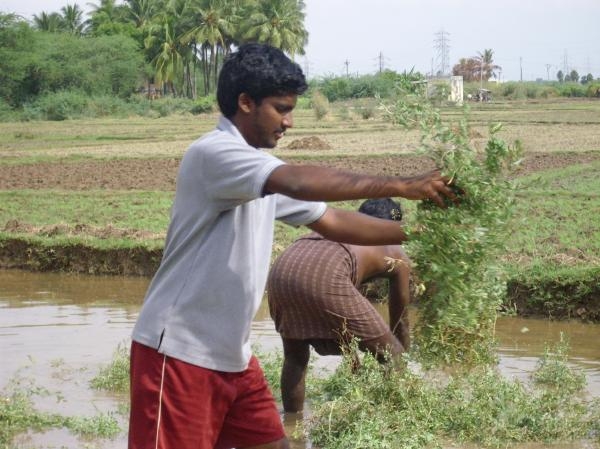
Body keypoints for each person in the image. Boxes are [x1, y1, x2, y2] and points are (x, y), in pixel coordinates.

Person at [128, 43, 456, 449]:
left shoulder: (256, 169)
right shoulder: (216, 154)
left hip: (232, 357)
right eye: (281, 109)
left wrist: (424, 237)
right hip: (179, 355)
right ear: (245, 102)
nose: (289, 122)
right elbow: (298, 180)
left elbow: (333, 220)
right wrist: (401, 186)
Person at [267, 198, 412, 413]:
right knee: (393, 354)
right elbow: (400, 322)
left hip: (283, 270)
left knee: (295, 357)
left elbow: (349, 316)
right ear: (393, 228)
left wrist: (356, 363)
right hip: (326, 273)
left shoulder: (337, 231)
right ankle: (399, 419)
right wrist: (400, 357)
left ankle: (292, 426)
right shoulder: (395, 252)